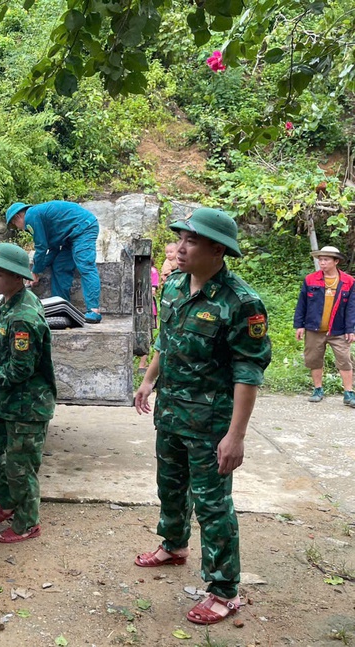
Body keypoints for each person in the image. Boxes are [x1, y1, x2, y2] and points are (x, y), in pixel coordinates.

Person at [133, 208, 272, 625]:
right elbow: (166, 340)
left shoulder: (242, 303)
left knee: (213, 505)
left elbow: (248, 372)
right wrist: (148, 380)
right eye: (179, 238)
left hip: (211, 425)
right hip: (172, 413)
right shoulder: (174, 285)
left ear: (217, 249)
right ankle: (174, 545)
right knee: (170, 487)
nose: (178, 247)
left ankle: (225, 590)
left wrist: (236, 436)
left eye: (190, 241)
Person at [0, 243, 57, 544]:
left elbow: (20, 370)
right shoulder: (10, 304)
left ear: (18, 277)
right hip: (7, 401)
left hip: (27, 406)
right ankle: (9, 502)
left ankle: (28, 523)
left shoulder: (23, 317)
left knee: (21, 468)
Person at [5, 201, 102, 323]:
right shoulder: (40, 218)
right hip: (69, 236)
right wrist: (38, 269)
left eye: (14, 225)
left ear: (18, 216)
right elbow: (53, 249)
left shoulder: (31, 216)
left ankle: (94, 311)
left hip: (83, 228)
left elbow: (41, 247)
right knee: (60, 265)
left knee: (85, 264)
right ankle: (61, 306)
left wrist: (35, 271)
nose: (19, 229)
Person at [293, 245, 355, 406]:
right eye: (320, 259)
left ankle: (349, 392)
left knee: (344, 360)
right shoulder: (310, 279)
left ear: (336, 261)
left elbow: (351, 308)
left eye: (326, 259)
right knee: (314, 359)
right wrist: (299, 325)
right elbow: (302, 304)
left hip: (339, 329)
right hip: (314, 328)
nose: (322, 262)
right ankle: (318, 389)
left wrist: (350, 329)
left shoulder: (348, 281)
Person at [137, 264, 160, 372]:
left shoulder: (152, 271)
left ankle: (142, 365)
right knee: (144, 335)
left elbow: (153, 290)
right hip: (140, 307)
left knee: (145, 335)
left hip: (146, 307)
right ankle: (141, 365)